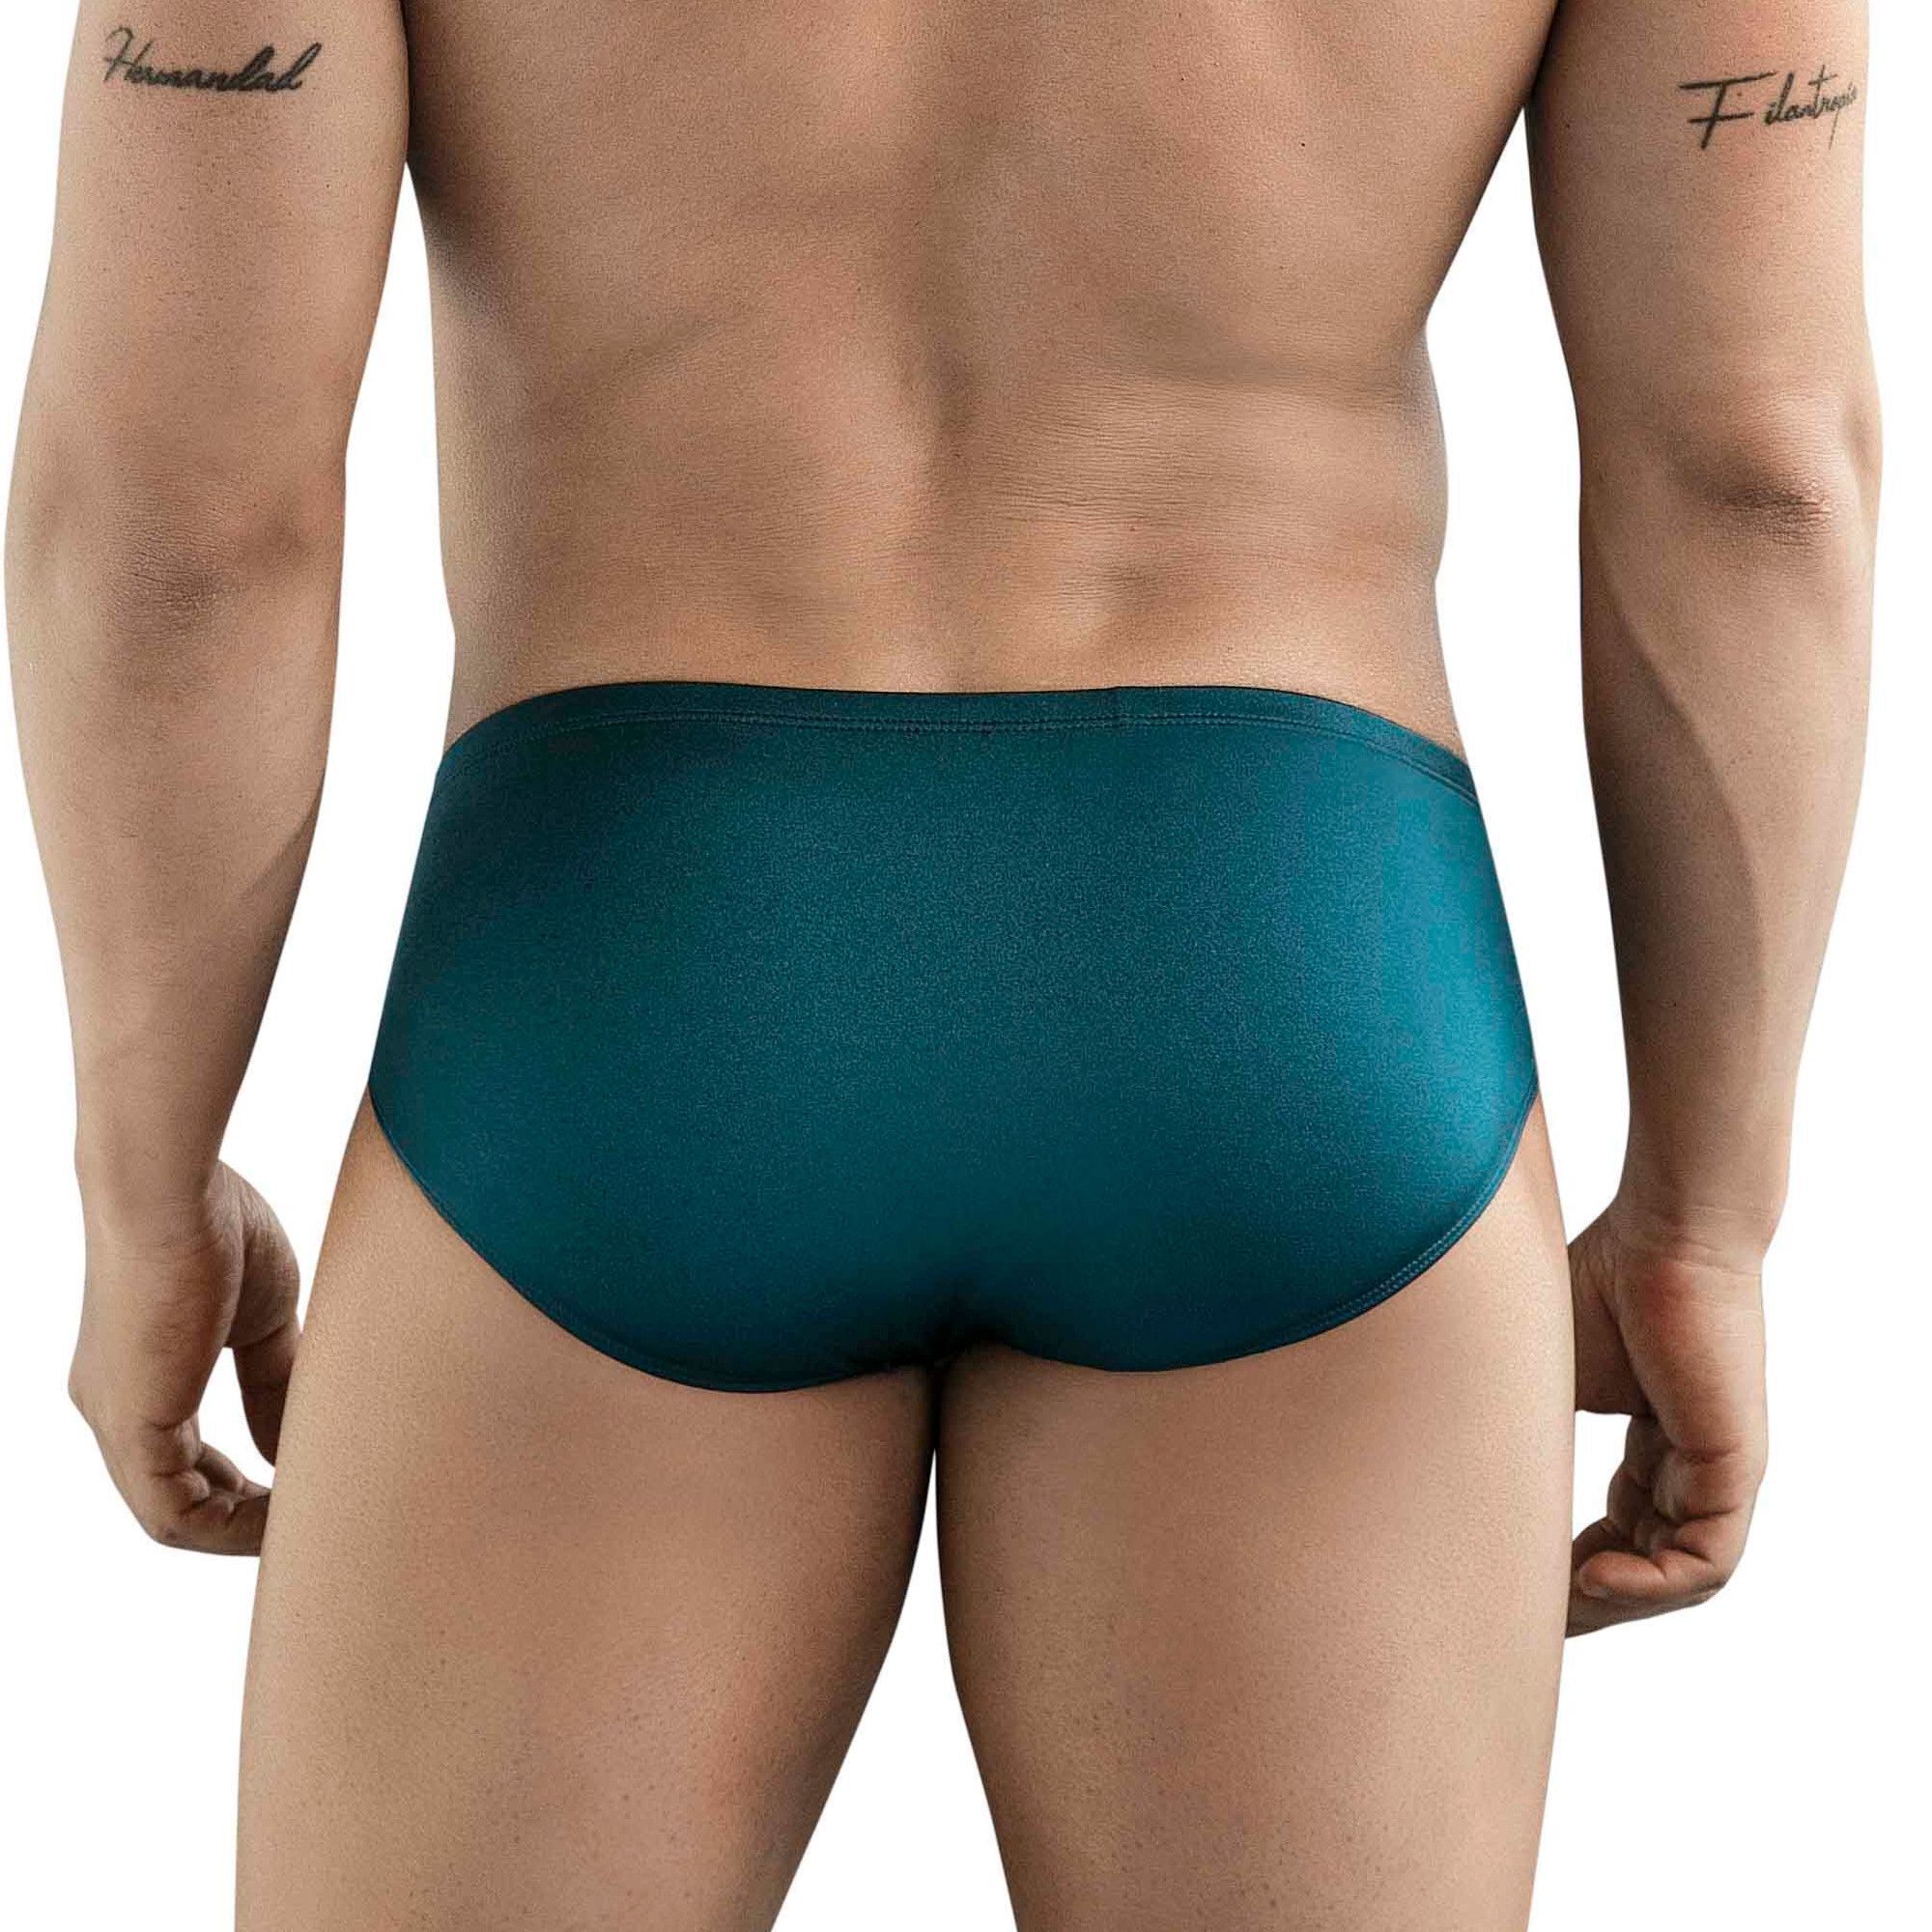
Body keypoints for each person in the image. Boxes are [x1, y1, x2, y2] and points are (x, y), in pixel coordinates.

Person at [7, 1, 1877, 1925]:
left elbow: (183, 521)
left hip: (636, 976)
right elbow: (1755, 478)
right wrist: (1702, 1218)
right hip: (1286, 967)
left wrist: (145, 1183)